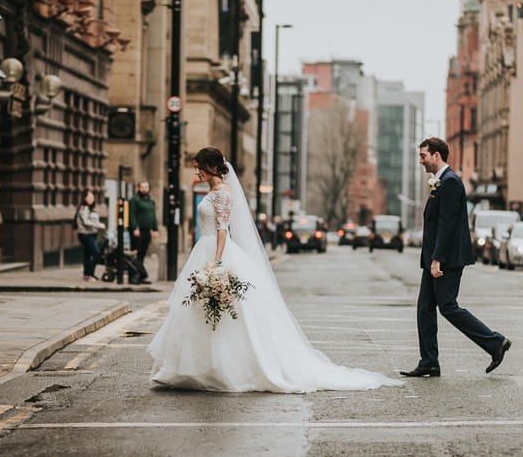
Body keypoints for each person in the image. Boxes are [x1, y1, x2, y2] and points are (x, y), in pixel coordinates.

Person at [147, 147, 402, 393]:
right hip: (203, 248)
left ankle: (221, 369)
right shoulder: (211, 192)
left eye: (199, 168)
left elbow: (223, 228)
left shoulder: (223, 193)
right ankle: (193, 368)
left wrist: (217, 261)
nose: (196, 173)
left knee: (225, 312)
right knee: (200, 310)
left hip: (216, 250)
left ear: (213, 167)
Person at [400, 138, 511, 378]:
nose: (421, 161)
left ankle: (495, 343)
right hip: (435, 257)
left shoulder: (450, 182)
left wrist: (437, 259)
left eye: (423, 156)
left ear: (436, 155)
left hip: (446, 258)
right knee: (424, 308)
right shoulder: (442, 182)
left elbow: (447, 224)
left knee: (448, 307)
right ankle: (429, 361)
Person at [74, 190, 105, 282]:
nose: (92, 199)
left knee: (88, 255)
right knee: (96, 254)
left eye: (92, 197)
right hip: (85, 234)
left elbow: (94, 221)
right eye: (89, 197)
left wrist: (99, 225)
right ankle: (89, 273)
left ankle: (87, 274)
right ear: (84, 198)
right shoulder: (83, 209)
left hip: (92, 234)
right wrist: (100, 225)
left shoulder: (91, 209)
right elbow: (86, 222)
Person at [129, 181, 158, 276]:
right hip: (138, 231)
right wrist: (134, 228)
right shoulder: (135, 199)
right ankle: (134, 275)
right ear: (138, 188)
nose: (144, 189)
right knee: (135, 254)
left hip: (147, 231)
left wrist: (155, 229)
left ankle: (139, 275)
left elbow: (153, 215)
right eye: (142, 187)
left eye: (146, 187)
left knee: (142, 254)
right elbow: (132, 215)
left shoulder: (150, 200)